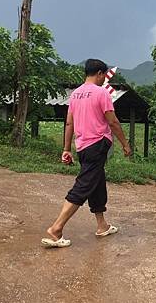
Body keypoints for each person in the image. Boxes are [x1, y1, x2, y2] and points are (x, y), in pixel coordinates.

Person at [41, 59, 131, 248]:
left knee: (96, 182)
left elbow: (69, 123)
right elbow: (113, 122)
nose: (103, 79)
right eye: (103, 76)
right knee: (83, 185)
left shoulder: (75, 95)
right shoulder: (101, 93)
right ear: (99, 73)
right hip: (97, 145)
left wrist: (66, 149)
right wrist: (125, 143)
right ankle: (56, 229)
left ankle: (102, 226)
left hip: (82, 147)